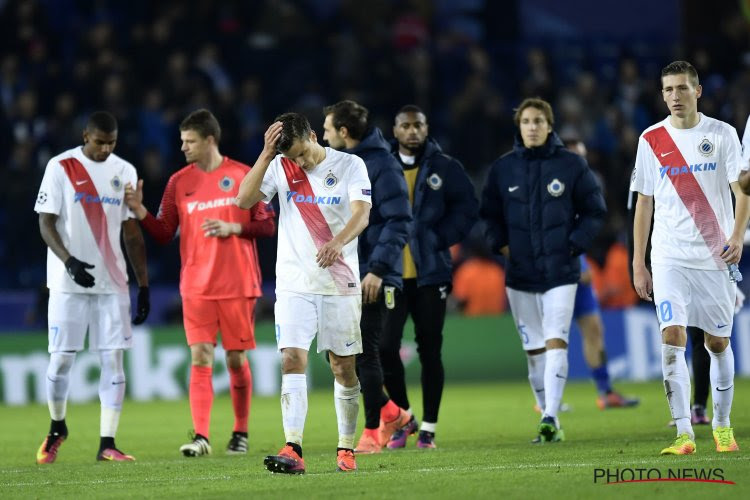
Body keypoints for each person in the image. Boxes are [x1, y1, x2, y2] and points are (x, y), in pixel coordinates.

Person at [124, 109, 275, 457]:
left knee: (236, 360)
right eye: (182, 141)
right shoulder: (179, 182)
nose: (183, 147)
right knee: (201, 356)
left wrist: (234, 228)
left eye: (190, 141)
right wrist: (140, 210)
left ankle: (240, 432)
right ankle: (202, 437)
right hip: (196, 286)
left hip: (237, 283)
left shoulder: (243, 175)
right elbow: (163, 231)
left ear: (210, 140)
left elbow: (267, 225)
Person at [236, 113, 371, 473]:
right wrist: (266, 156)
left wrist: (338, 242)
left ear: (314, 136)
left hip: (339, 282)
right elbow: (243, 201)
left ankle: (345, 448)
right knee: (291, 360)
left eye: (303, 153)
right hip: (295, 284)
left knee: (343, 368)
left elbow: (362, 215)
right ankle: (293, 446)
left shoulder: (349, 164)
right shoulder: (280, 166)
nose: (300, 162)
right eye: (293, 157)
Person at [631, 60, 749, 455]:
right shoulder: (651, 139)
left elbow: (742, 190)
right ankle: (683, 433)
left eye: (682, 88)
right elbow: (643, 203)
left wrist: (737, 235)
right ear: (661, 94)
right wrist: (638, 261)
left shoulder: (722, 134)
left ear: (697, 91)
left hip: (715, 254)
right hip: (669, 257)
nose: (675, 96)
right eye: (668, 90)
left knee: (717, 342)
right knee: (673, 336)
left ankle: (722, 426)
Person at [481, 98, 606, 443]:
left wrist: (573, 245)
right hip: (520, 274)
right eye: (526, 121)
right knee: (534, 352)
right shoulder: (504, 169)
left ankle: (550, 416)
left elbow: (595, 211)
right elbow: (488, 214)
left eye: (539, 121)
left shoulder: (571, 165)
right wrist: (501, 246)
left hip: (560, 272)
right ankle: (544, 409)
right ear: (519, 127)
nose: (532, 127)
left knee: (555, 342)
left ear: (550, 125)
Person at [34, 111, 150, 464]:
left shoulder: (125, 171)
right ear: (85, 135)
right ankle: (57, 428)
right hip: (67, 283)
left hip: (112, 282)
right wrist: (68, 260)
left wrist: (143, 284)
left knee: (113, 360)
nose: (104, 149)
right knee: (61, 361)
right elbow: (46, 223)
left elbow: (131, 230)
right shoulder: (60, 166)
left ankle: (107, 443)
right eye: (99, 142)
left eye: (111, 143)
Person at [381, 105, 479, 449]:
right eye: (405, 125)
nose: (411, 131)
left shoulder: (445, 167)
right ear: (394, 130)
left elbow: (467, 208)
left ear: (426, 128)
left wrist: (439, 239)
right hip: (392, 274)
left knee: (430, 350)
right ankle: (405, 419)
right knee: (386, 349)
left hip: (430, 274)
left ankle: (429, 429)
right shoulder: (381, 166)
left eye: (417, 125)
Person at [321, 100, 412, 453]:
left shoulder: (381, 165)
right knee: (347, 355)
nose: (325, 137)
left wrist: (376, 269)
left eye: (328, 130)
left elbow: (399, 221)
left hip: (371, 274)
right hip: (346, 274)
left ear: (344, 132)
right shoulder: (343, 164)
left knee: (365, 354)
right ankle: (393, 414)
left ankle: (375, 428)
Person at [563, 138, 639, 410]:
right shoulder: (551, 190)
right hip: (556, 272)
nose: (580, 161)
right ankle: (549, 400)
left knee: (595, 329)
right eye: (574, 155)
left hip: (579, 266)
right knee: (552, 339)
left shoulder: (585, 189)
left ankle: (606, 392)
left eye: (583, 156)